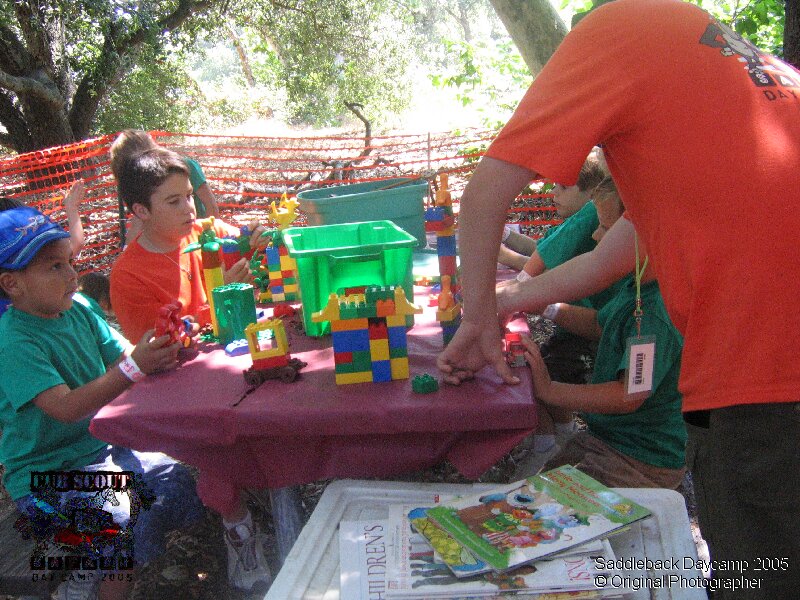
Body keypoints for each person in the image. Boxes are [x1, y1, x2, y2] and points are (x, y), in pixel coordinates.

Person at [437, 1, 799, 597]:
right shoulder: (720, 68)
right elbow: (612, 255)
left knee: (761, 574)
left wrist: (475, 318)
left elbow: (484, 194)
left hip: (767, 380)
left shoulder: (612, 29)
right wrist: (504, 304)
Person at [0, 206, 204, 600]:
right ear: (12, 283)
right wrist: (134, 367)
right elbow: (65, 408)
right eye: (54, 266)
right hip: (45, 477)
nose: (71, 274)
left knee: (175, 481)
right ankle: (86, 582)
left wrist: (163, 348)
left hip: (102, 450)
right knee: (119, 519)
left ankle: (97, 570)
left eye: (69, 262)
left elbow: (126, 355)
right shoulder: (13, 342)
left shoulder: (81, 309)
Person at [109, 147, 273, 591]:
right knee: (219, 454)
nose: (190, 208)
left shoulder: (206, 234)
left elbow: (251, 238)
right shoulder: (129, 275)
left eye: (189, 196)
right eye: (174, 201)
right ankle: (240, 531)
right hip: (184, 390)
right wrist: (220, 304)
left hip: (237, 365)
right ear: (140, 211)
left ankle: (274, 490)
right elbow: (162, 355)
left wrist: (260, 236)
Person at [516, 180, 686, 489]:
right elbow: (599, 324)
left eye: (605, 228)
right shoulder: (637, 286)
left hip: (640, 459)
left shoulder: (651, 315)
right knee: (532, 489)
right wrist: (545, 306)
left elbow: (629, 394)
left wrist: (550, 390)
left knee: (540, 501)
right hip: (610, 440)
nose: (595, 236)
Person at [109, 130, 221, 245]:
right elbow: (138, 222)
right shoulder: (140, 184)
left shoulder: (182, 167)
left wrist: (211, 236)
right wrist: (128, 251)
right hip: (169, 240)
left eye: (189, 195)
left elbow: (210, 203)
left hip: (199, 235)